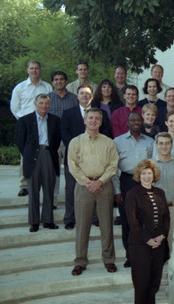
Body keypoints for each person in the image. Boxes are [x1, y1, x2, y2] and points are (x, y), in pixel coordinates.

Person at [68, 108, 119, 276]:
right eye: (90, 118)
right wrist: (87, 182)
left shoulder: (109, 142)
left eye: (97, 118)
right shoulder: (75, 142)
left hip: (104, 186)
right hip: (84, 187)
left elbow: (113, 165)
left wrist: (100, 181)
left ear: (101, 122)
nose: (93, 121)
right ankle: (80, 260)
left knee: (106, 225)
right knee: (82, 225)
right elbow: (73, 165)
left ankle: (109, 259)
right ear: (85, 120)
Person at [61, 85, 112, 230]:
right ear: (77, 96)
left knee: (96, 190)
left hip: (97, 160)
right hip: (75, 159)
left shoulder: (100, 113)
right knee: (72, 189)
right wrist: (76, 150)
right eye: (82, 93)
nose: (85, 96)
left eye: (87, 94)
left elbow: (107, 132)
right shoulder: (68, 113)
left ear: (92, 96)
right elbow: (64, 133)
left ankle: (95, 217)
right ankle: (70, 218)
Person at [125, 159, 170, 304]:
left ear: (154, 175)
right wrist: (148, 240)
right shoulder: (132, 194)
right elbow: (133, 222)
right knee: (141, 284)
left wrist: (162, 236)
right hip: (139, 245)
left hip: (159, 244)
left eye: (149, 173)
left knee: (154, 283)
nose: (146, 176)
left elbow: (166, 218)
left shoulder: (160, 193)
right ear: (138, 175)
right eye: (143, 173)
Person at [113, 112, 155, 268]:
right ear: (128, 123)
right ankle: (130, 255)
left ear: (142, 122)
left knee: (147, 219)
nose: (136, 122)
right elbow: (114, 168)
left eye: (138, 120)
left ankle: (147, 254)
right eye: (133, 120)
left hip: (145, 181)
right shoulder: (118, 142)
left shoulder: (150, 142)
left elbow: (154, 165)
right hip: (126, 182)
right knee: (128, 220)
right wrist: (117, 190)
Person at [15, 94, 61, 232]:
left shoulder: (55, 120)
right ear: (35, 104)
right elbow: (19, 141)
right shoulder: (25, 120)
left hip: (48, 154)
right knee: (33, 190)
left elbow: (57, 139)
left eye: (46, 103)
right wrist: (28, 154)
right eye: (41, 103)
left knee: (49, 189)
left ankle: (48, 220)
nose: (44, 106)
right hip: (33, 156)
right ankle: (34, 222)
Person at [11, 60, 53, 197]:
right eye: (32, 68)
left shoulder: (47, 87)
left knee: (44, 155)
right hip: (27, 126)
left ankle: (43, 184)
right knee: (26, 155)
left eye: (36, 68)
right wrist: (23, 122)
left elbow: (50, 105)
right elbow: (14, 107)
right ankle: (24, 185)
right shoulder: (20, 88)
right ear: (27, 70)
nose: (34, 71)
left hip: (43, 123)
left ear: (40, 70)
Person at [47, 71, 77, 208]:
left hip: (70, 138)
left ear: (66, 81)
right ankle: (52, 201)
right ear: (52, 82)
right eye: (56, 80)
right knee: (53, 171)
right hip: (53, 139)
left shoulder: (74, 98)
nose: (59, 82)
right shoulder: (47, 99)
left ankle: (73, 200)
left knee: (72, 171)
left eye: (61, 79)